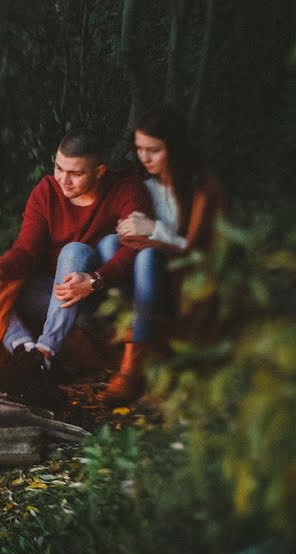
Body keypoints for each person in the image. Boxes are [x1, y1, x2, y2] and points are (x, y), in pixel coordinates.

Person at [0, 128, 153, 378]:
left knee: (75, 251)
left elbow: (136, 248)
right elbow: (26, 250)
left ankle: (46, 353)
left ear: (100, 171)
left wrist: (94, 281)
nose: (63, 180)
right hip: (50, 294)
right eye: (59, 168)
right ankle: (24, 351)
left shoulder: (125, 189)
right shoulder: (47, 190)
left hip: (93, 300)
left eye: (76, 173)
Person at [99, 105, 224, 402]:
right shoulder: (144, 187)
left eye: (153, 149)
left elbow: (196, 252)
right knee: (107, 244)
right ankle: (130, 329)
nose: (145, 157)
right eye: (140, 149)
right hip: (146, 283)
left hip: (183, 281)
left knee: (148, 257)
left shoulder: (201, 188)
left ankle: (133, 364)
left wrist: (154, 228)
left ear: (175, 148)